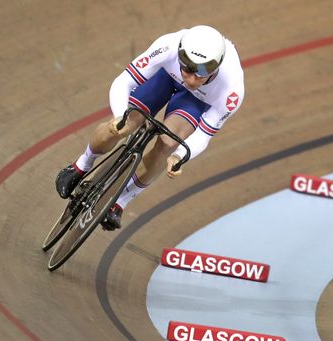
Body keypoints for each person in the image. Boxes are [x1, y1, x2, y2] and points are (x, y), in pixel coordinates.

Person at [55, 25, 244, 230]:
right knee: (123, 126)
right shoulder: (168, 46)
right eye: (187, 68)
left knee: (168, 145)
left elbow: (204, 135)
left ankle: (120, 202)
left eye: (201, 74)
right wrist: (120, 117)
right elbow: (123, 82)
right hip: (164, 76)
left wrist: (178, 156)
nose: (190, 79)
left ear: (215, 67)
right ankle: (81, 164)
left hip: (195, 100)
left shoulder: (231, 91)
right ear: (180, 54)